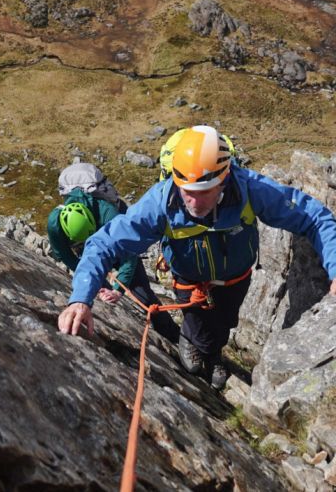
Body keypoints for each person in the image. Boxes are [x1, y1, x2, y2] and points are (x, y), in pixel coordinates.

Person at [57, 125, 336, 390]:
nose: (192, 202)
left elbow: (314, 218)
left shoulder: (249, 189)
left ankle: (211, 353)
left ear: (224, 179)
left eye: (203, 193)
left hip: (235, 280)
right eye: (186, 191)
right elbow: (103, 244)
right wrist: (81, 298)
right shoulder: (162, 202)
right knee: (199, 329)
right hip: (189, 283)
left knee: (224, 323)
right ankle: (197, 348)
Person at [47, 163, 180, 343]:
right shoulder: (55, 225)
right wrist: (98, 284)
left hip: (118, 237)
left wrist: (118, 289)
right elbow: (66, 256)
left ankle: (174, 336)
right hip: (94, 238)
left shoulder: (109, 213)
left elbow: (130, 255)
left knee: (143, 293)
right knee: (94, 272)